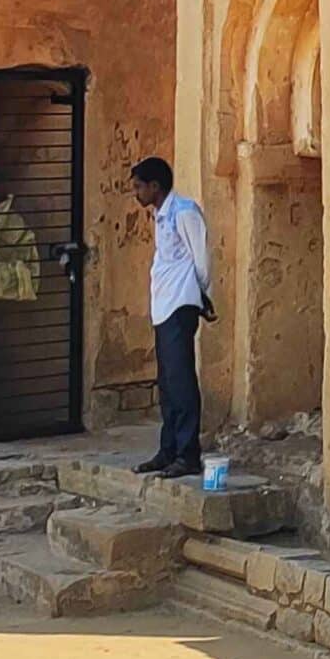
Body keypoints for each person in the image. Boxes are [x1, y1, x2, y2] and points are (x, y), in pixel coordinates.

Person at [129, 156, 213, 478]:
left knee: (181, 381)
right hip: (163, 305)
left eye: (139, 187)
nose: (136, 193)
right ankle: (169, 450)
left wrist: (200, 295)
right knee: (166, 382)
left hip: (181, 303)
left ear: (155, 186)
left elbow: (202, 259)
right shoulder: (161, 217)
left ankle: (188, 454)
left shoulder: (185, 212)